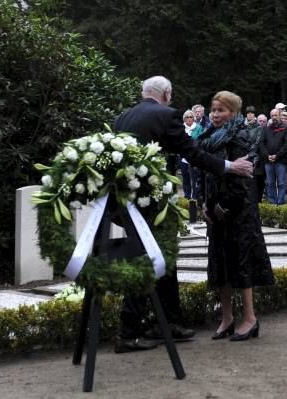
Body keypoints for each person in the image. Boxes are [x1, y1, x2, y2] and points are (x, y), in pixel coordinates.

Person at [113, 76, 253, 354]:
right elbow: (192, 152)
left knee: (165, 258)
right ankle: (128, 333)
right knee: (147, 259)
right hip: (150, 203)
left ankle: (169, 323)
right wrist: (228, 166)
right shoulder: (166, 115)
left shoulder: (123, 117)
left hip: (128, 202)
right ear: (167, 94)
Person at [196, 91, 275, 341]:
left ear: (233, 112)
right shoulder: (207, 137)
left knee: (242, 264)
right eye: (213, 109)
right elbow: (204, 171)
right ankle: (227, 317)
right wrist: (205, 205)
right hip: (216, 211)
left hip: (239, 212)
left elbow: (242, 179)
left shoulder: (239, 136)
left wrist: (223, 207)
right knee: (220, 264)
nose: (215, 114)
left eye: (221, 110)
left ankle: (250, 319)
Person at [259, 108, 287, 205]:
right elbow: (261, 143)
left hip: (281, 160)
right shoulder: (266, 129)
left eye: (275, 115)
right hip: (268, 161)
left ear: (280, 115)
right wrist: (267, 155)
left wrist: (277, 155)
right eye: (272, 116)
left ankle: (280, 202)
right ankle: (272, 201)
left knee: (281, 182)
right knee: (270, 182)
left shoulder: (286, 128)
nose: (274, 117)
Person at [179, 109, 204, 198]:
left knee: (195, 177)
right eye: (187, 117)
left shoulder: (199, 127)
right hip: (183, 156)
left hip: (194, 156)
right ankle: (187, 196)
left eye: (191, 117)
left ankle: (194, 197)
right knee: (185, 177)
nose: (189, 119)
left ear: (193, 118)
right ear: (184, 119)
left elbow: (200, 140)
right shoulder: (181, 128)